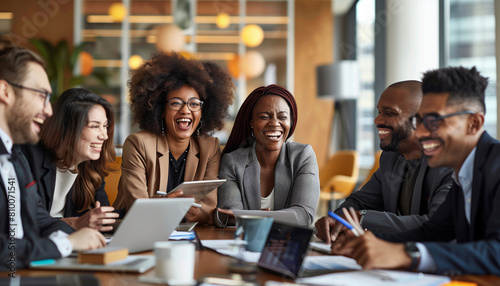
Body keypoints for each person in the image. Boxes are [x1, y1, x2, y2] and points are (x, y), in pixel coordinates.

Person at [333, 66, 500, 276]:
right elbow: (433, 232)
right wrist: (366, 245)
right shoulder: (465, 171)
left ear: (474, 123)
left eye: (433, 122)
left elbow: (497, 252)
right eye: (419, 121)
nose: (420, 133)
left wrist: (408, 254)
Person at [0, 45, 105, 269]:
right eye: (41, 96)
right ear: (5, 92)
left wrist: (84, 238)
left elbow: (40, 219)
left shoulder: (15, 157)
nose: (49, 111)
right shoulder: (27, 154)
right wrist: (65, 244)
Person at [315, 81, 453, 244]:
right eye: (379, 112)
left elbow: (436, 227)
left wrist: (362, 218)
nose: (377, 120)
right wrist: (337, 221)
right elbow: (358, 202)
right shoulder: (390, 158)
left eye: (389, 113)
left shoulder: (452, 164)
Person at [113, 53, 234, 225]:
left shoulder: (210, 147)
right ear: (160, 109)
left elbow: (209, 209)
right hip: (136, 229)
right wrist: (168, 207)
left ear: (203, 111)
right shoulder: (138, 144)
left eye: (194, 104)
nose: (186, 111)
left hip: (187, 234)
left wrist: (197, 213)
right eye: (176, 103)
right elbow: (137, 207)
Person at [215, 84, 320, 227]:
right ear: (251, 122)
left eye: (283, 117)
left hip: (288, 245)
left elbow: (304, 216)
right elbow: (229, 216)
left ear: (291, 121)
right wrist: (278, 216)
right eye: (264, 117)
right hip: (245, 244)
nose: (275, 123)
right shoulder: (233, 161)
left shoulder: (303, 156)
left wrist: (255, 215)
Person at [21, 88, 119, 232]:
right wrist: (75, 223)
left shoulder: (90, 167)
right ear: (67, 129)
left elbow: (104, 219)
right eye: (94, 126)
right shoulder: (28, 158)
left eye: (105, 126)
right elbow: (21, 222)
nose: (104, 135)